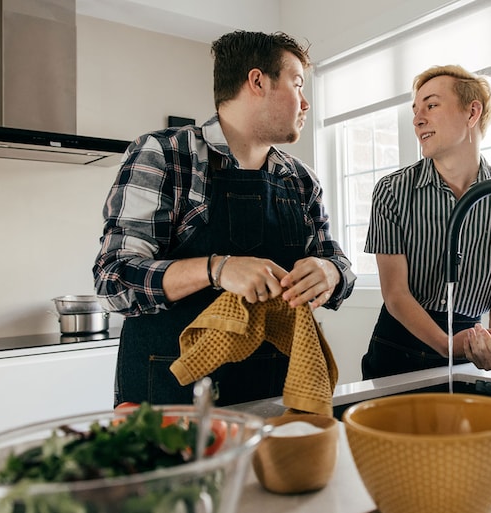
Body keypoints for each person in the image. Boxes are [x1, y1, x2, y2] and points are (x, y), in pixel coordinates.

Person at [93, 30, 356, 407]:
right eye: (297, 84)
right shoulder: (166, 154)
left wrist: (330, 273)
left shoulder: (300, 179)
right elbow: (112, 281)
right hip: (172, 400)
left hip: (275, 397)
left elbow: (340, 264)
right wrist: (218, 269)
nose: (305, 103)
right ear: (257, 81)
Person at [361, 64, 491, 380]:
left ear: (472, 113)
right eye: (415, 110)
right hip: (397, 348)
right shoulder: (391, 191)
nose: (417, 119)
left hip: (471, 348)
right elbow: (396, 294)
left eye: (431, 105)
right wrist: (446, 345)